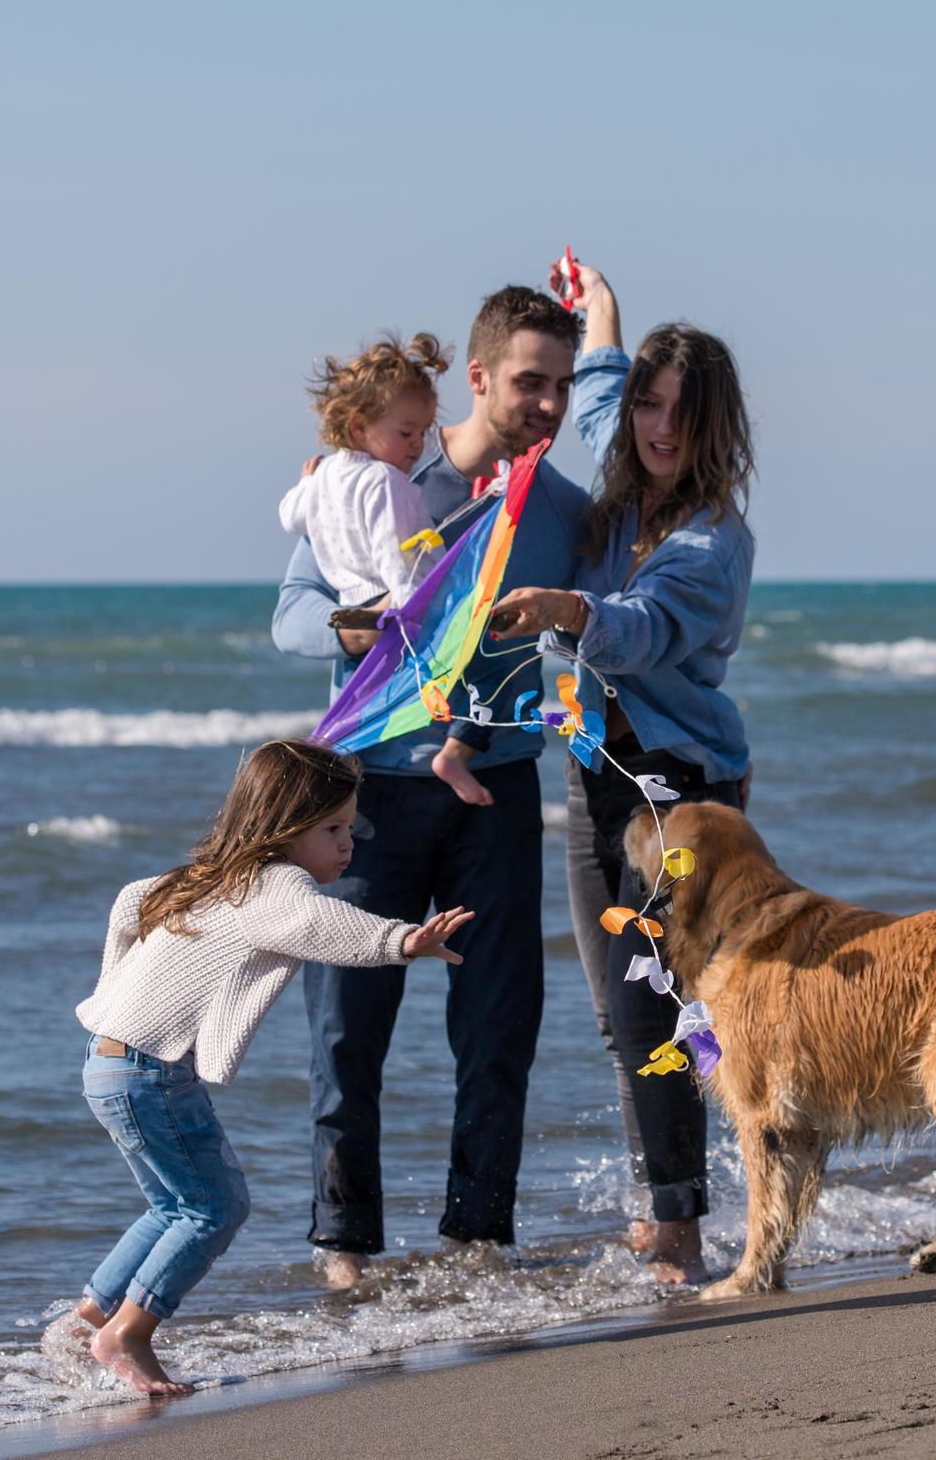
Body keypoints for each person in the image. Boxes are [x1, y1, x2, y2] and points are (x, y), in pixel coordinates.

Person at [271, 284, 588, 1287]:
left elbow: (625, 568)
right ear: (480, 377)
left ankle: (478, 1239)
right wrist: (348, 625)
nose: (545, 403)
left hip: (494, 787)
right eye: (528, 382)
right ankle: (343, 1248)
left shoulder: (563, 511)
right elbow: (287, 613)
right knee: (344, 1030)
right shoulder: (380, 477)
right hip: (375, 796)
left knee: (498, 1027)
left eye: (562, 387)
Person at [488, 265, 756, 1284]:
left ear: (716, 426)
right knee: (618, 1009)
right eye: (651, 403)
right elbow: (597, 386)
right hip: (593, 771)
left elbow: (643, 629)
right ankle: (670, 1199)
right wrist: (600, 312)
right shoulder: (615, 450)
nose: (658, 426)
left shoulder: (713, 540)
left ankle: (681, 1228)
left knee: (661, 1007)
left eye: (682, 413)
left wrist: (568, 610)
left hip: (677, 782)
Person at [71, 739, 475, 1396]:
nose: (348, 844)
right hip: (150, 1072)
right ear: (284, 828)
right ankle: (126, 1334)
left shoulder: (199, 877)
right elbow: (321, 925)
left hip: (107, 1062)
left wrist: (114, 990)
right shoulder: (273, 884)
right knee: (215, 1208)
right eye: (333, 829)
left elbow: (128, 901)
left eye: (350, 827)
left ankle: (86, 1319)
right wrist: (402, 941)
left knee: (172, 1205)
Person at [273, 329, 492, 803]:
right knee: (477, 665)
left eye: (424, 432)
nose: (418, 445)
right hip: (406, 604)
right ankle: (454, 755)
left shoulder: (326, 474)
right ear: (358, 427)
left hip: (357, 603)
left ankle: (335, 757)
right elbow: (394, 552)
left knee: (364, 705)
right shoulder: (385, 482)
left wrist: (305, 483)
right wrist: (422, 607)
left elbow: (289, 517)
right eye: (406, 433)